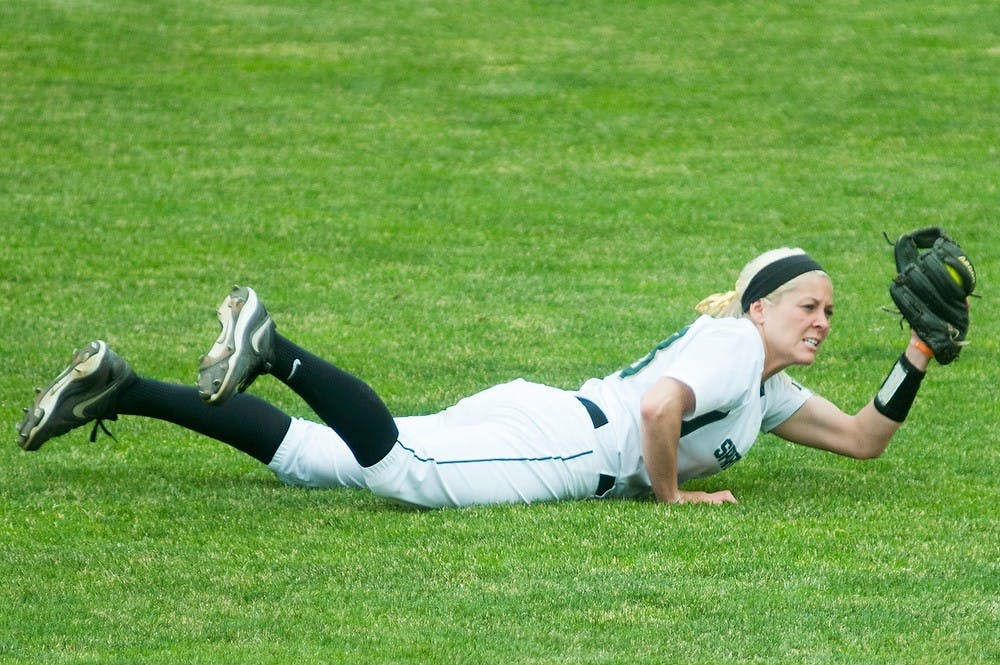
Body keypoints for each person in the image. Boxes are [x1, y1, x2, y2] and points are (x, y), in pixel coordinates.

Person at [16, 248, 934, 508]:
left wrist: (918, 356)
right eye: (806, 303)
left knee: (317, 460)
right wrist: (671, 498)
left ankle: (124, 388)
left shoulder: (761, 384)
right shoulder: (733, 344)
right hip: (570, 444)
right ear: (761, 305)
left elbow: (862, 439)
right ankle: (273, 348)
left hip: (548, 417)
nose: (820, 319)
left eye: (830, 312)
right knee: (400, 472)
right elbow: (659, 408)